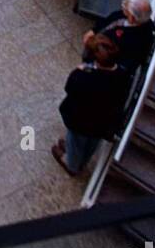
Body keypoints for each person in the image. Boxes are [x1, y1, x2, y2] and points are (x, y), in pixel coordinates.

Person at [51, 34, 129, 177]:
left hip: (81, 120)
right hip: (104, 122)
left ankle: (72, 166)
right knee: (91, 144)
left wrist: (79, 71)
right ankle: (81, 159)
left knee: (76, 141)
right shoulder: (123, 74)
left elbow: (70, 88)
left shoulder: (84, 76)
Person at [87, 0, 155, 73]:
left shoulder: (138, 42)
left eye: (125, 5)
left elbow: (124, 66)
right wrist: (94, 30)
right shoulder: (126, 14)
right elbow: (109, 19)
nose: (123, 5)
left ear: (132, 18)